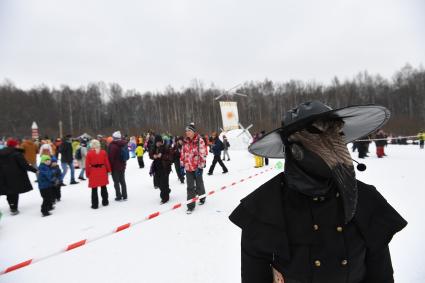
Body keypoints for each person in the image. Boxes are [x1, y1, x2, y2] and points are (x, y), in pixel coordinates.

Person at [229, 101, 407, 283]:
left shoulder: (364, 198)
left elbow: (381, 272)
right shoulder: (265, 206)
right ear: (294, 147)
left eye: (337, 133)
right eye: (320, 133)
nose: (336, 144)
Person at [0, 139, 38, 215]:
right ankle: (14, 208)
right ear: (15, 145)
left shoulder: (1, 152)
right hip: (15, 176)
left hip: (3, 176)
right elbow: (24, 165)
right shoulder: (16, 153)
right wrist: (35, 170)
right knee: (14, 191)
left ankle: (11, 205)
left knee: (8, 191)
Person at [180, 123, 207, 214]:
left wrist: (200, 167)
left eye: (189, 131)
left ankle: (202, 197)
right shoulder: (185, 141)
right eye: (186, 131)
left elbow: (203, 154)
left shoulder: (200, 141)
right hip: (188, 167)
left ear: (193, 132)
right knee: (190, 187)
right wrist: (182, 165)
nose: (187, 132)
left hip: (197, 167)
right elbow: (183, 154)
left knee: (199, 184)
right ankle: (190, 206)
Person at [86, 139, 111, 209]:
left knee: (94, 189)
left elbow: (87, 165)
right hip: (102, 171)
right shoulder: (103, 152)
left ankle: (95, 204)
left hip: (93, 172)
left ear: (91, 146)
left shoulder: (89, 153)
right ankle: (105, 202)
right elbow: (107, 162)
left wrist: (87, 174)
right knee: (103, 187)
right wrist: (109, 170)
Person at [149, 135, 173, 204]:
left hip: (165, 168)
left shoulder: (166, 147)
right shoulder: (154, 147)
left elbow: (171, 157)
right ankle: (167, 191)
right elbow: (150, 154)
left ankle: (164, 198)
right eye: (157, 142)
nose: (158, 143)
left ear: (162, 141)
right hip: (157, 168)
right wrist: (153, 156)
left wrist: (162, 156)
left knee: (164, 183)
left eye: (159, 142)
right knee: (158, 183)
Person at [108, 131, 128, 201]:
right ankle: (125, 195)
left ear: (114, 137)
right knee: (122, 181)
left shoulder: (112, 146)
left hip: (115, 167)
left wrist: (109, 167)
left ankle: (118, 196)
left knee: (116, 182)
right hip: (122, 166)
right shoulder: (124, 144)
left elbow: (111, 158)